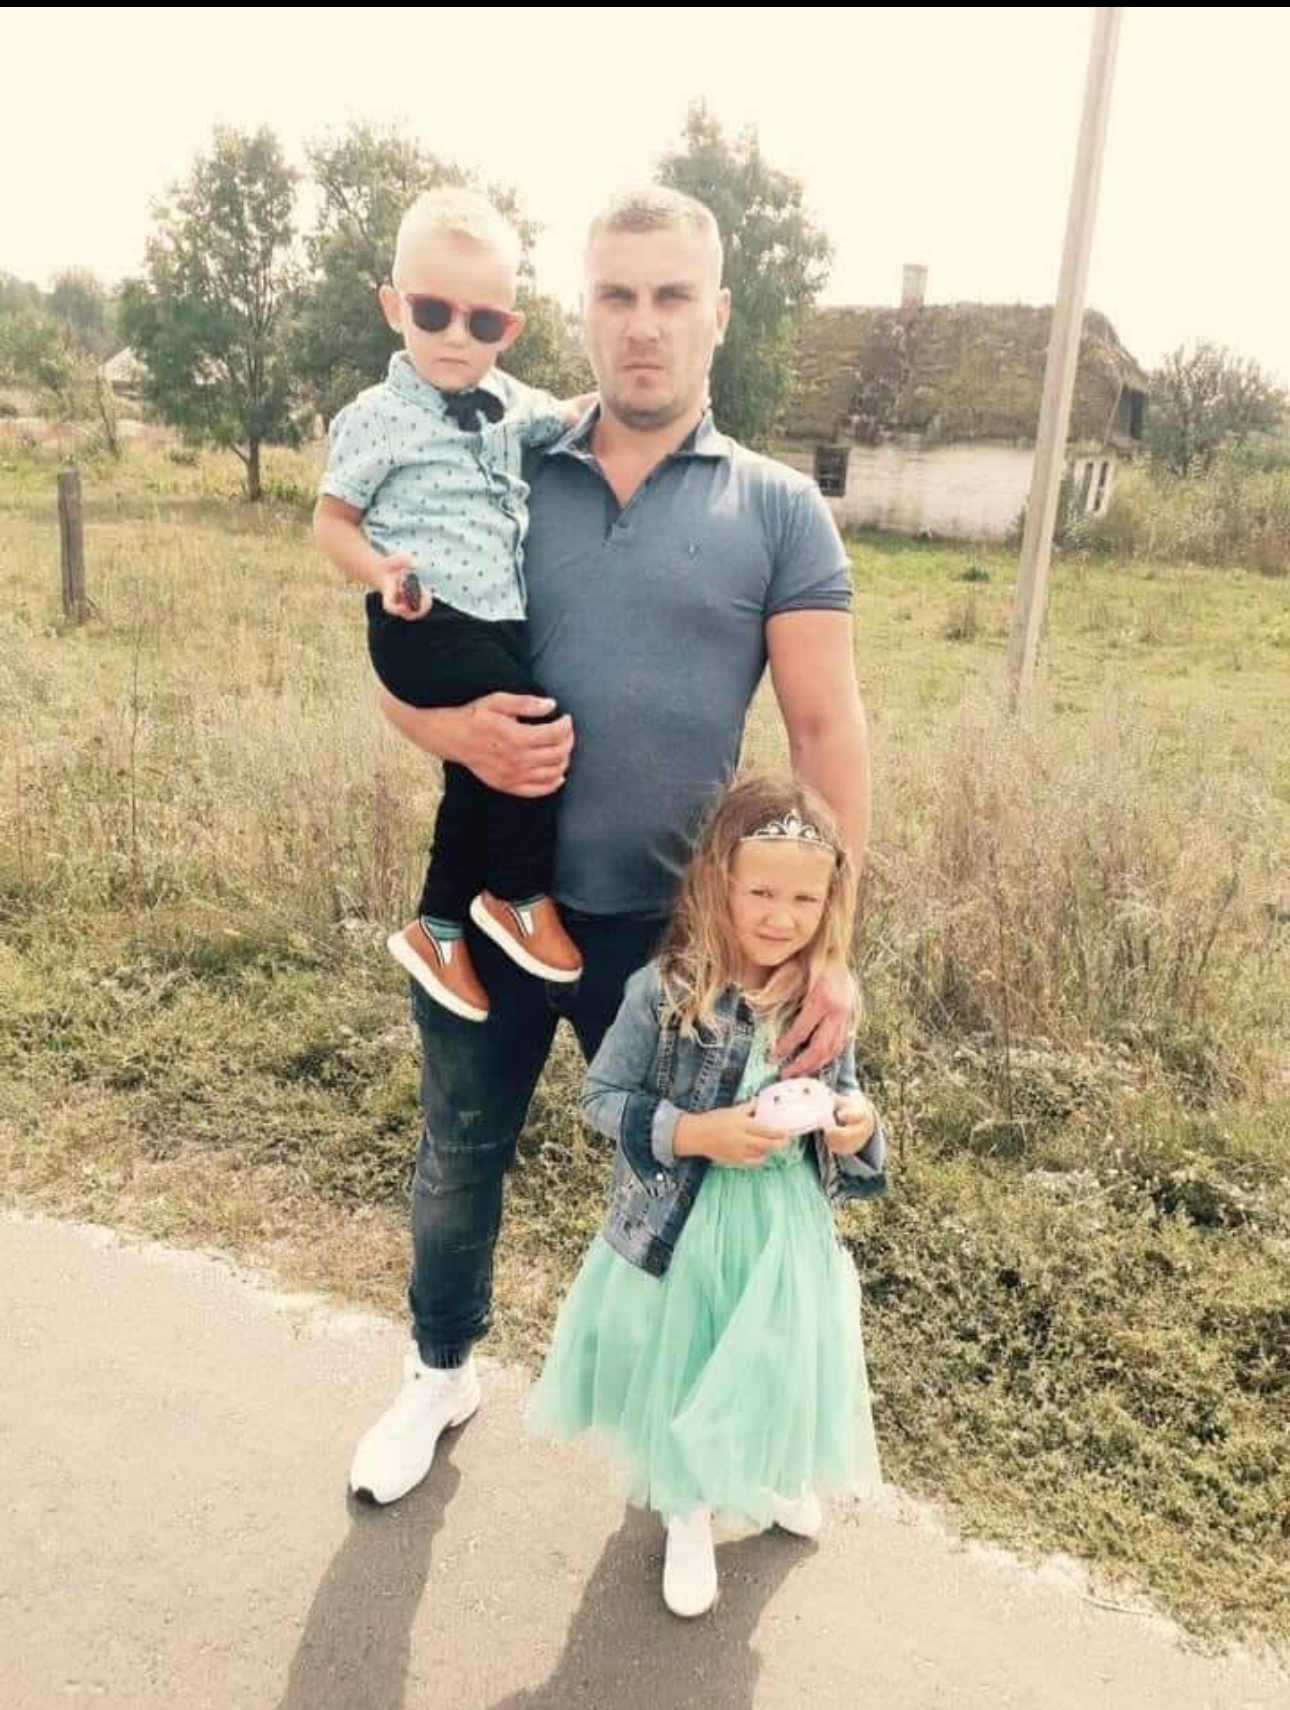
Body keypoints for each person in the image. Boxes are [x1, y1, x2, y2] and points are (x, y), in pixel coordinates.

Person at [346, 185, 874, 1510]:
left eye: (671, 295)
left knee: (704, 1175)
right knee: (459, 1150)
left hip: (679, 936)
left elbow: (824, 730)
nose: (643, 325)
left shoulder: (778, 508)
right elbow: (401, 660)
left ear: (718, 314)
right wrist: (453, 733)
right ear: (579, 312)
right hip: (498, 907)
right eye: (617, 295)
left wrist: (832, 952)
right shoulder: (499, 462)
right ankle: (437, 1373)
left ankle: (713, 1436)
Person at [526, 776, 886, 1617]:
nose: (781, 916)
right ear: (719, 881)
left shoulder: (822, 1002)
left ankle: (769, 1473)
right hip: (688, 1229)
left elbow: (846, 1097)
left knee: (776, 1361)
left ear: (830, 903)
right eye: (761, 892)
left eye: (804, 899)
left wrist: (855, 1125)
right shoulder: (664, 990)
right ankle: (686, 1511)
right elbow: (600, 1098)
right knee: (689, 1366)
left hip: (785, 1232)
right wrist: (696, 1132)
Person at [314, 187, 591, 1022]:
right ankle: (514, 893)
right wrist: (378, 571)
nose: (456, 337)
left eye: (483, 321)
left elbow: (570, 416)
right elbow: (331, 519)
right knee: (533, 726)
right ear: (393, 307)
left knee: (483, 764)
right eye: (432, 313)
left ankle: (438, 926)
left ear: (510, 328)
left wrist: (627, 402)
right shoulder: (376, 418)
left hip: (495, 618)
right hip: (423, 620)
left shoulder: (513, 402)